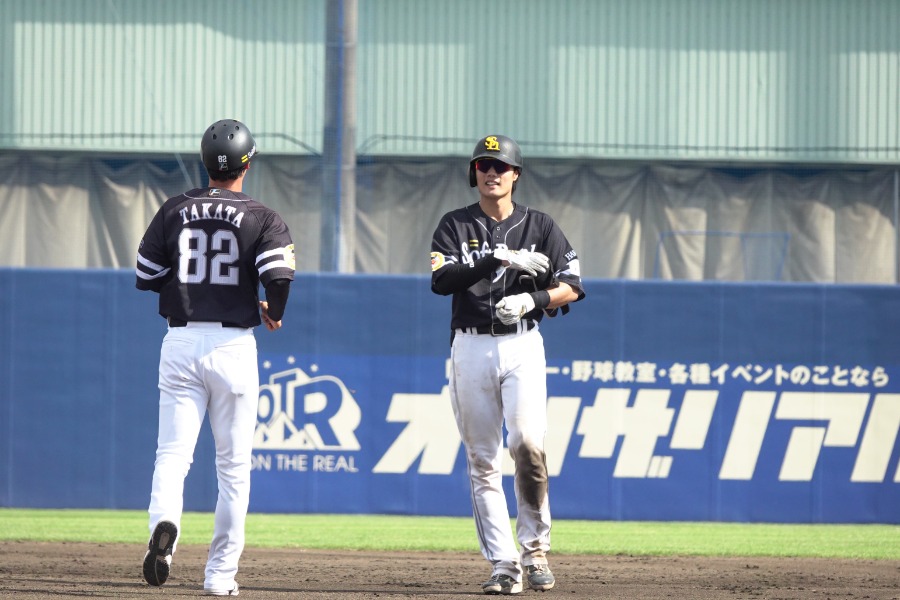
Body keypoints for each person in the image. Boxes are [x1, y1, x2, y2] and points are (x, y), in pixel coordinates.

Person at [134, 119, 295, 596]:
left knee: (172, 454)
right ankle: (220, 576)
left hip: (181, 340)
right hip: (232, 346)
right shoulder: (261, 215)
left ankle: (164, 524)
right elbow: (279, 277)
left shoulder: (174, 208)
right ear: (248, 163)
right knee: (233, 468)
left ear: (206, 162)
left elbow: (146, 273)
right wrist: (274, 312)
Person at [430, 134, 585, 595]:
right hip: (470, 346)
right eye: (484, 165)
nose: (491, 173)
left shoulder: (540, 225)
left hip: (522, 344)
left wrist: (532, 300)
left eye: (500, 166)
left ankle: (535, 551)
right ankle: (503, 562)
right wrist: (493, 259)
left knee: (527, 444)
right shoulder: (455, 224)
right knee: (482, 459)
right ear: (473, 173)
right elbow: (441, 279)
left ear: (516, 174)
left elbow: (573, 284)